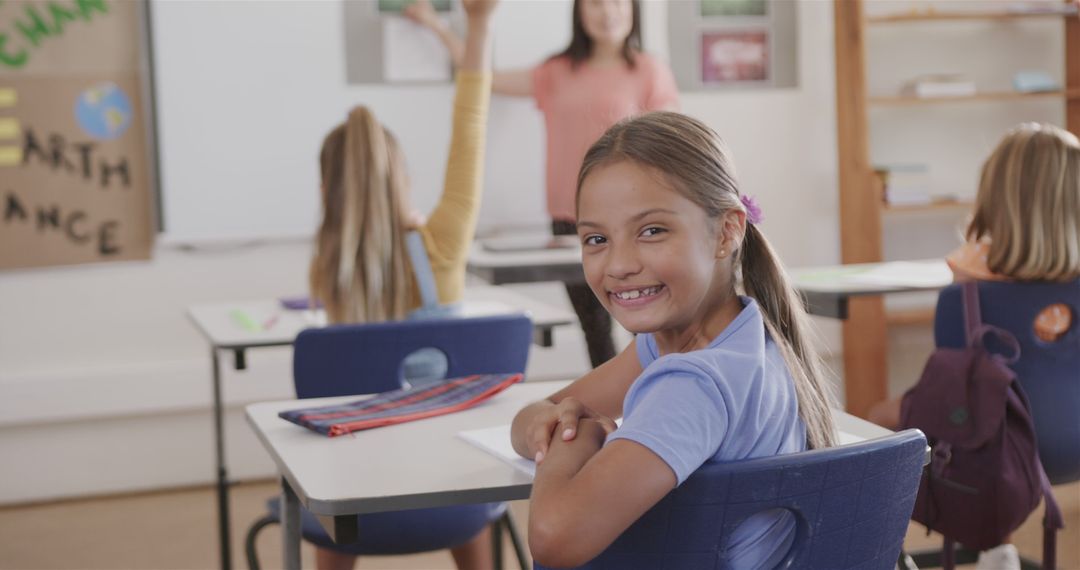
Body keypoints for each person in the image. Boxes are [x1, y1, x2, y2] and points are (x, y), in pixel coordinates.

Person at [508, 112, 838, 568]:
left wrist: (573, 436)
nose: (619, 264)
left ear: (727, 231)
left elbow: (553, 537)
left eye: (652, 231)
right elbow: (546, 407)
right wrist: (540, 423)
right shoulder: (733, 337)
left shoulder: (694, 382)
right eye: (597, 239)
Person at [308, 0, 499, 568]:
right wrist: (481, 23)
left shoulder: (328, 263)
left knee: (331, 464)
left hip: (352, 503)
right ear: (404, 179)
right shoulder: (444, 241)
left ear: (327, 193)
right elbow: (472, 123)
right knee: (451, 436)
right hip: (458, 493)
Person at [406, 0, 679, 368]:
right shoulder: (556, 71)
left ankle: (658, 400)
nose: (608, 11)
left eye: (618, 2)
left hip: (634, 221)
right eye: (596, 3)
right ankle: (610, 415)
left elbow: (672, 148)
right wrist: (436, 26)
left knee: (647, 328)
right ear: (580, 13)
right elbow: (485, 77)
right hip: (570, 221)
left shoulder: (650, 70)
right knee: (594, 327)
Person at [867, 122, 1080, 570]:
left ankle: (912, 551)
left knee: (878, 419)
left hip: (1007, 450)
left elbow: (959, 392)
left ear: (996, 199)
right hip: (1074, 439)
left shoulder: (963, 293)